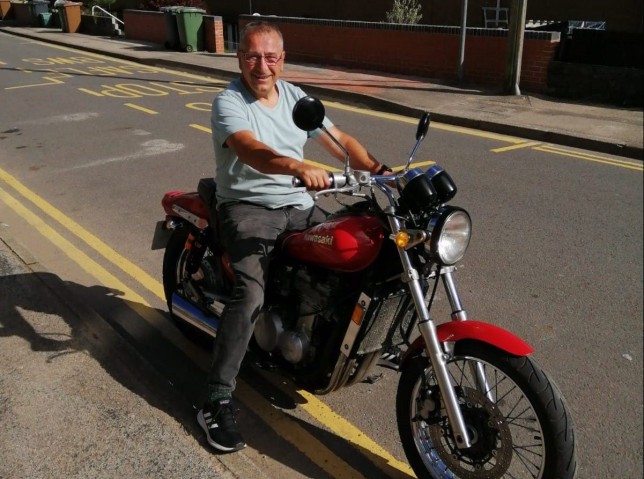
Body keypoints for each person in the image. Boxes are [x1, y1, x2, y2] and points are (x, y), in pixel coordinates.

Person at [198, 20, 391, 453]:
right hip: (247, 207)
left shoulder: (297, 99)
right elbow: (250, 149)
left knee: (351, 255)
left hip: (299, 206)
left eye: (270, 57)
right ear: (239, 58)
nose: (261, 66)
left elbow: (339, 141)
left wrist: (383, 174)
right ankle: (216, 397)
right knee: (250, 295)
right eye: (252, 56)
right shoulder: (229, 101)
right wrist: (296, 166)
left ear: (282, 60)